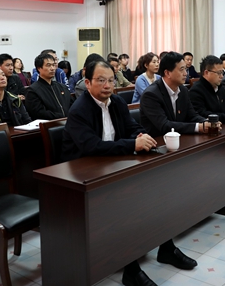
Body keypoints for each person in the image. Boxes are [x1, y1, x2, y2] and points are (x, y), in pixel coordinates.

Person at [61, 59, 196, 286]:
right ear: (87, 82)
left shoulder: (116, 102)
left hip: (110, 164)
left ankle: (166, 248)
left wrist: (141, 136)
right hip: (81, 174)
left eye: (111, 80)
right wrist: (132, 144)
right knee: (125, 205)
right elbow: (91, 147)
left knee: (159, 193)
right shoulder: (79, 110)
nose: (107, 85)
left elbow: (133, 128)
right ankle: (131, 270)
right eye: (101, 80)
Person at [140, 52, 214, 137]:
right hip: (158, 141)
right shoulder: (151, 95)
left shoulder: (183, 90)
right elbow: (164, 125)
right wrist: (198, 127)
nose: (185, 73)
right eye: (181, 69)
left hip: (180, 138)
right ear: (167, 73)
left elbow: (192, 116)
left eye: (185, 69)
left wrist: (207, 122)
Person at [25, 53, 71, 120]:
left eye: (53, 65)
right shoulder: (33, 90)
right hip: (49, 124)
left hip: (67, 122)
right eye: (48, 65)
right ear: (39, 68)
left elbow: (71, 105)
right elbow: (39, 113)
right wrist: (62, 117)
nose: (52, 68)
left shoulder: (62, 87)